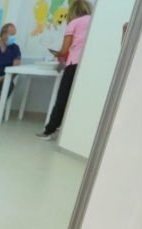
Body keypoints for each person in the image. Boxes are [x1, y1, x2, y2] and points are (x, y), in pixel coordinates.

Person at [38, 0, 93, 140]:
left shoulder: (74, 23)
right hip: (88, 65)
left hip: (73, 64)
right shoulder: (93, 21)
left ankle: (49, 131)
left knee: (62, 98)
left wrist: (57, 53)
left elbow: (64, 50)